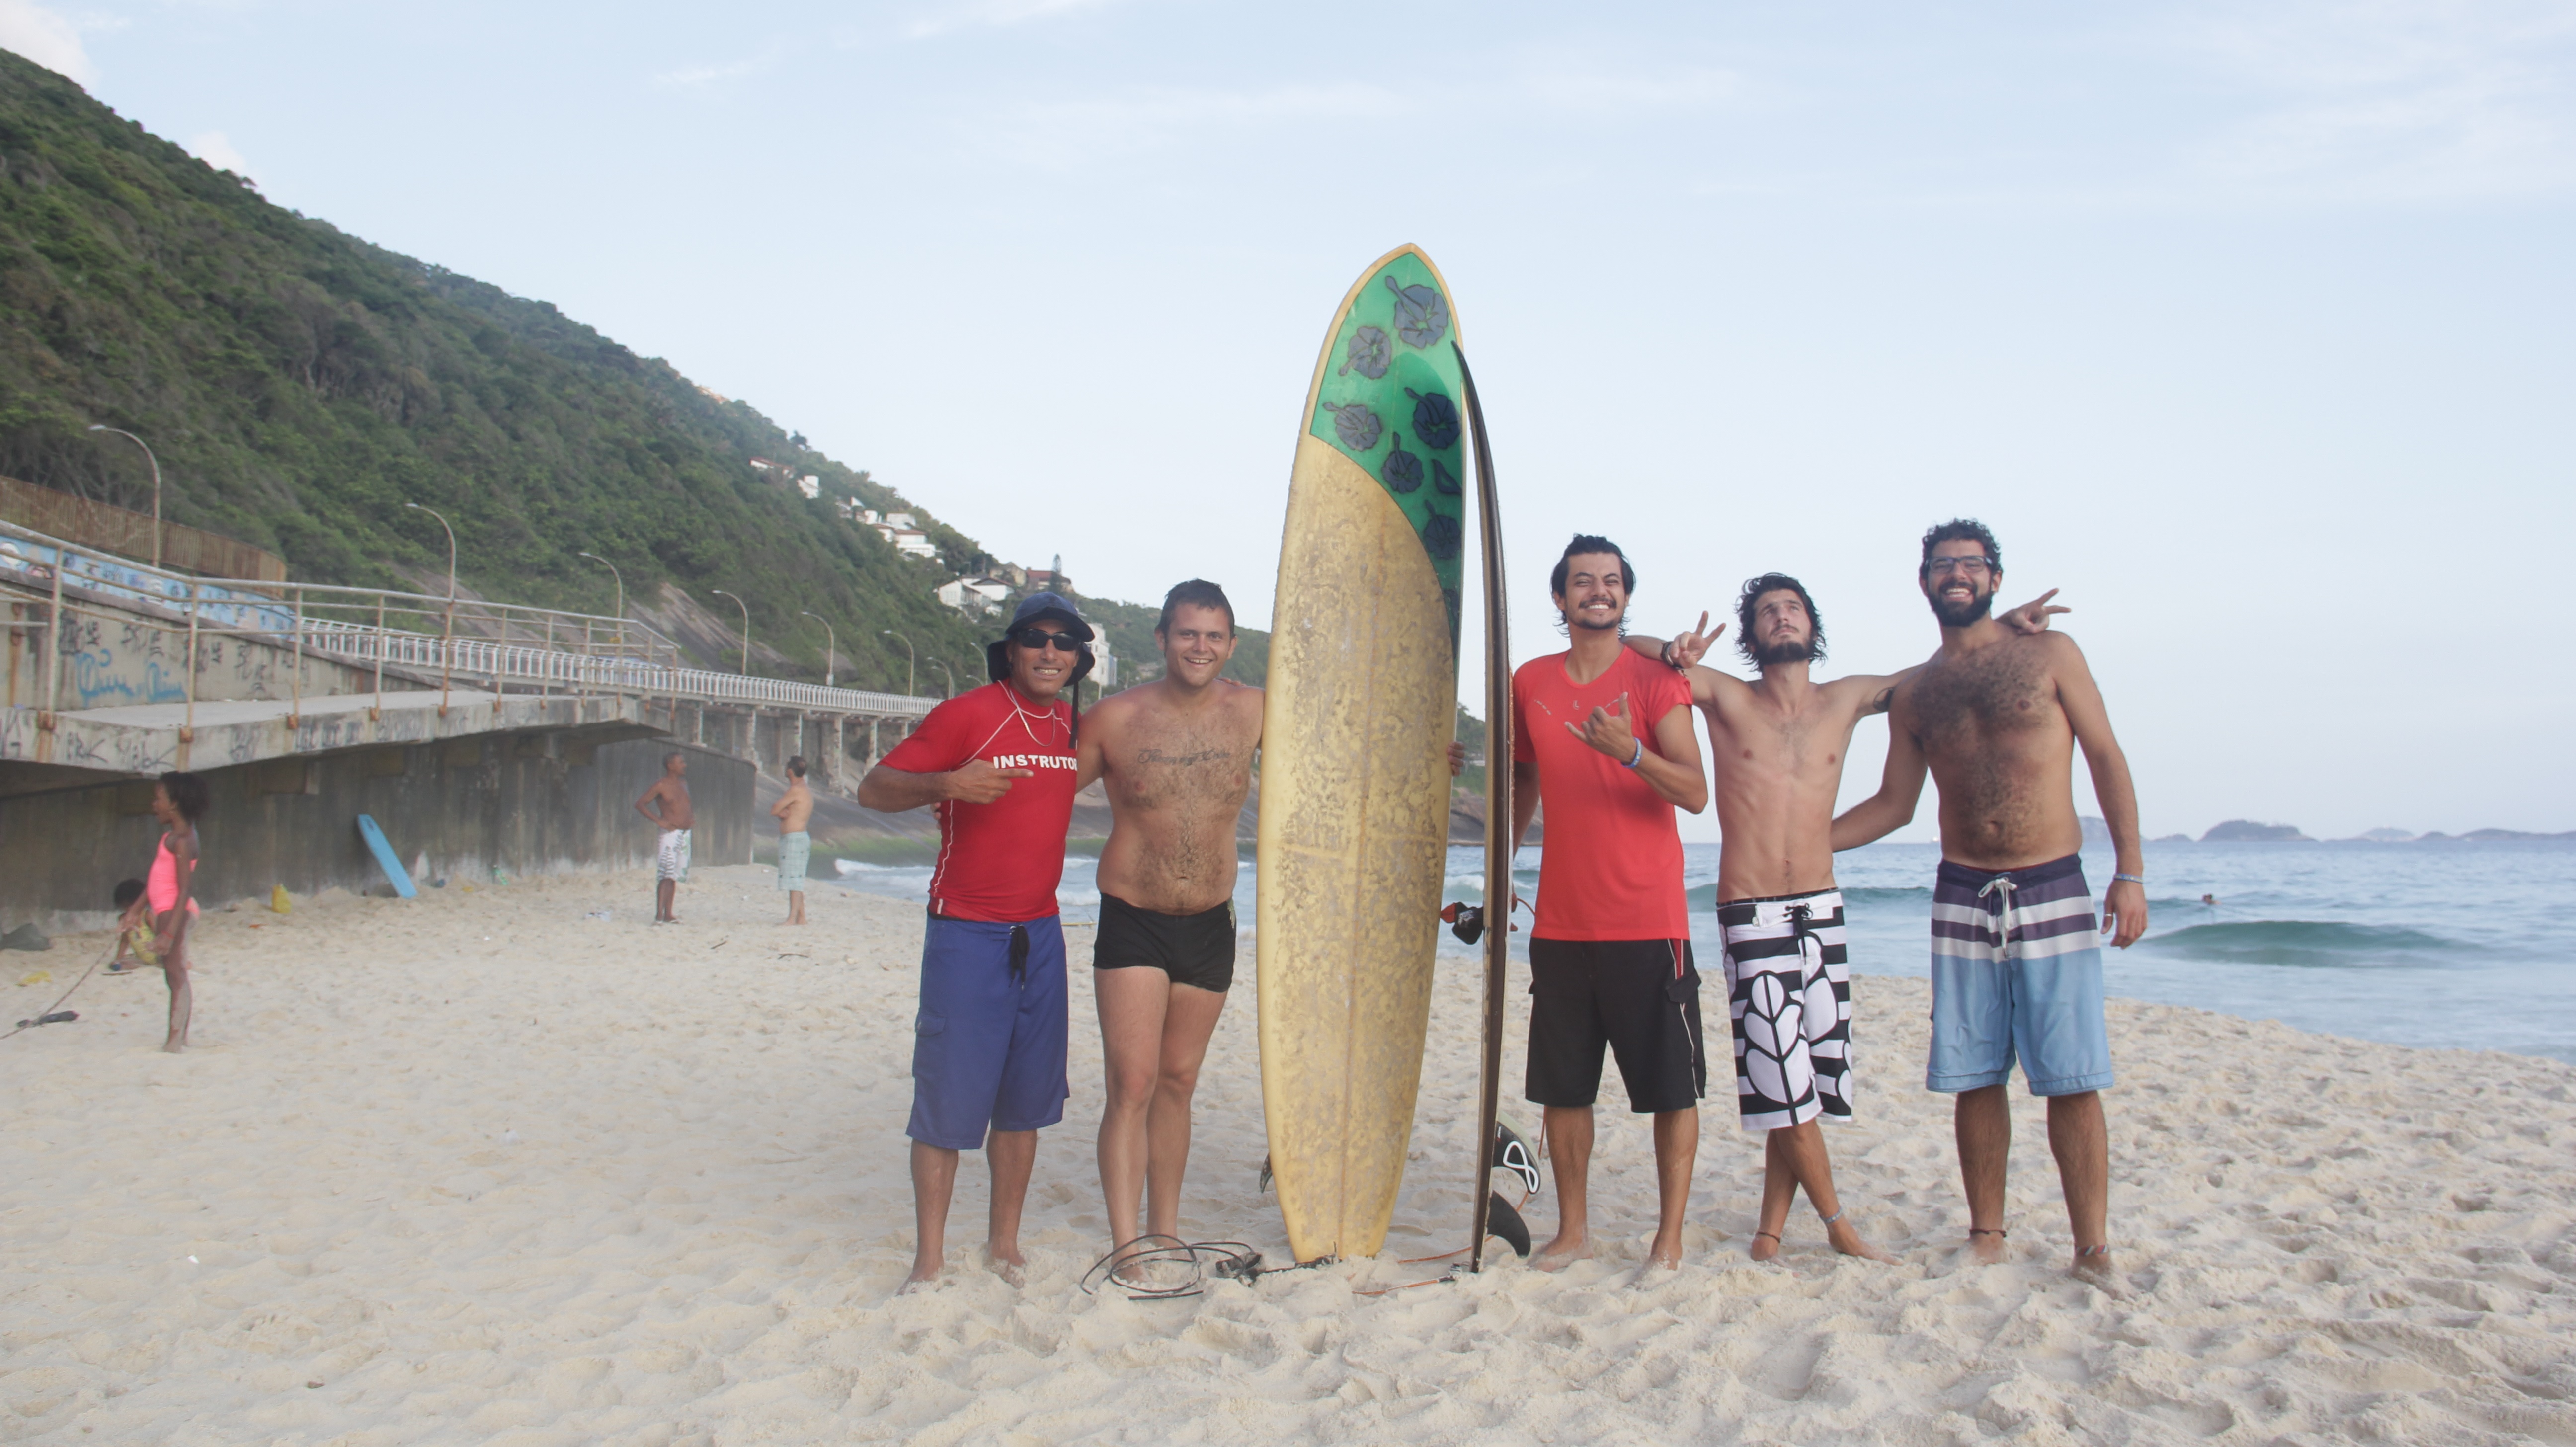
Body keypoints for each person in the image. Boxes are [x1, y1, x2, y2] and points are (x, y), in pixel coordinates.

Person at [1629, 576, 2063, 1262]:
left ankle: (1769, 1232)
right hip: (1751, 911)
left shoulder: (1850, 698)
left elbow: (1932, 673)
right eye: (1767, 611)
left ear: (1812, 625)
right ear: (1751, 634)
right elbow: (1634, 648)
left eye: (1792, 607)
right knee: (1784, 1076)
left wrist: (2002, 628)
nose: (1781, 617)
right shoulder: (1725, 696)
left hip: (1823, 911)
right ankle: (1837, 1224)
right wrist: (1675, 646)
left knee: (1805, 1080)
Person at [1072, 579, 1468, 1270]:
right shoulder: (1114, 718)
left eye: (1215, 635)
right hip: (1133, 916)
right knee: (1131, 1083)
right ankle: (1125, 1239)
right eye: (1188, 633)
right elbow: (1048, 794)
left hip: (1211, 922)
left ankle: (1164, 1226)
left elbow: (1343, 755)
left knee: (1178, 1081)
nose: (1201, 647)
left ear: (1231, 643)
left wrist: (1434, 757)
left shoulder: (1257, 710)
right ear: (1162, 638)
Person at [1832, 519, 2147, 1287]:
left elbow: (2105, 755)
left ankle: (2092, 1246)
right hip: (1962, 891)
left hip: (2052, 882)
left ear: (1996, 578)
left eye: (1971, 565)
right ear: (1925, 582)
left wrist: (2130, 872)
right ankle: (1987, 1232)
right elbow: (1894, 805)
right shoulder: (1918, 691)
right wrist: (1800, 845)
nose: (1957, 575)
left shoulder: (2049, 655)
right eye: (1944, 566)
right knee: (1974, 1072)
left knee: (2072, 1075)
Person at [858, 591, 1091, 1291]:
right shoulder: (970, 714)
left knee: (1024, 1103)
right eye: (1036, 639)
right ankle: (929, 1260)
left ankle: (1005, 1245)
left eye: (1065, 642)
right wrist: (945, 783)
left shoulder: (1071, 729)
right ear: (1012, 650)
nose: (1050, 652)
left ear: (1079, 660)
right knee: (948, 1101)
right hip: (966, 931)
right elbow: (873, 789)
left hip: (1042, 933)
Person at [1510, 535, 1709, 1272]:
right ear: (1560, 598)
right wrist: (1504, 859)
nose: (1599, 590)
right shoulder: (1529, 680)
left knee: (1670, 1089)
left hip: (1647, 921)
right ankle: (1573, 1231)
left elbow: (1695, 792)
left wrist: (1629, 751)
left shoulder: (1656, 679)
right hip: (1562, 923)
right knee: (1564, 1089)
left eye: (1612, 581)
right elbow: (1520, 774)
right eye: (1583, 581)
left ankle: (1669, 1239)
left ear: (1627, 597)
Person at [144, 770, 208, 1053]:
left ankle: (176, 1040)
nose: (153, 804)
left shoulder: (183, 840)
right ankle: (177, 1036)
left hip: (174, 911)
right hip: (164, 909)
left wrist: (170, 933)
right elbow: (155, 878)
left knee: (176, 974)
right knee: (172, 973)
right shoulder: (171, 836)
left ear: (174, 804)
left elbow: (184, 890)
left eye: (158, 799)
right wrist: (135, 911)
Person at [633, 751, 693, 924]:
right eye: (681, 762)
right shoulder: (661, 785)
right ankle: (659, 914)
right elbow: (640, 804)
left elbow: (684, 806)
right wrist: (660, 821)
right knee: (665, 874)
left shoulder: (683, 784)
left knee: (674, 875)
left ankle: (669, 913)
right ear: (670, 765)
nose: (684, 765)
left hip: (684, 833)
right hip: (670, 834)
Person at [773, 755, 813, 926]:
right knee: (795, 878)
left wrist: (780, 813)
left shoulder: (796, 790)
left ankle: (791, 918)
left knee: (794, 880)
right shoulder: (802, 788)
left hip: (795, 839)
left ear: (790, 771)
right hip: (797, 838)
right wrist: (783, 813)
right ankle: (801, 917)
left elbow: (775, 809)